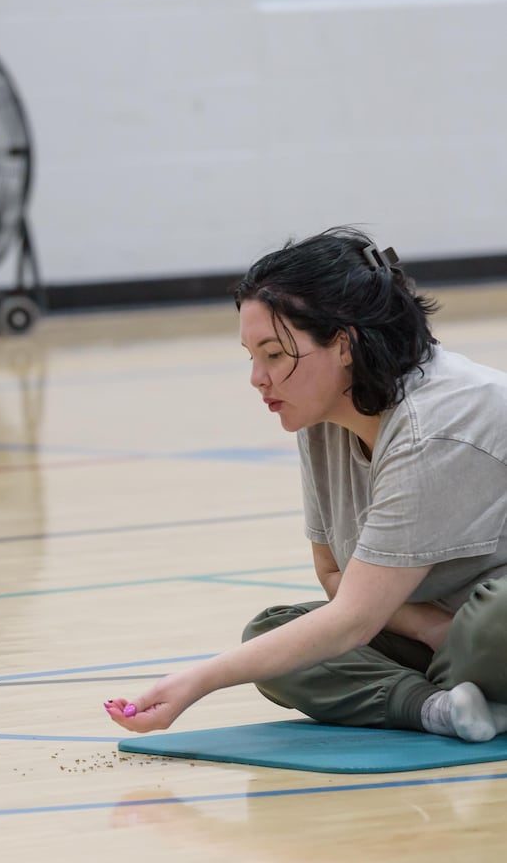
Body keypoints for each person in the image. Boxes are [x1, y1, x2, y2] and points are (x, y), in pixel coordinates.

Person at [105, 227, 507, 743]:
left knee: (493, 621)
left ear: (344, 344)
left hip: (487, 628)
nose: (257, 377)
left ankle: (456, 684)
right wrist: (430, 630)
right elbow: (333, 574)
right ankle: (441, 707)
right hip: (443, 633)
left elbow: (354, 621)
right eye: (251, 355)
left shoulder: (439, 422)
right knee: (272, 636)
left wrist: (199, 681)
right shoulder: (321, 414)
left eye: (274, 355)